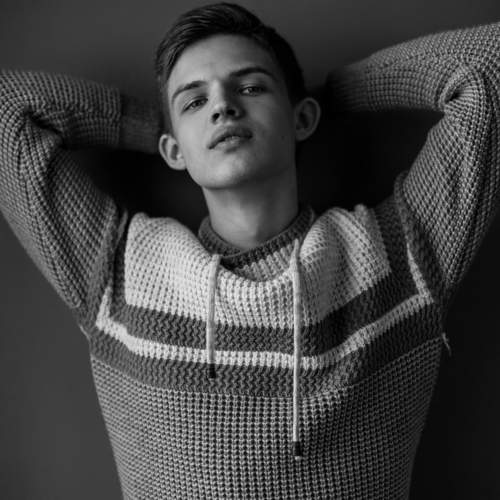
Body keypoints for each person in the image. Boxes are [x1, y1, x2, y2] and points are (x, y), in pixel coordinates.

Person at [0, 2, 498, 498]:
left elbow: (489, 64)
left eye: (252, 87)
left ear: (302, 118)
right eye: (195, 102)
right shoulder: (118, 270)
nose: (223, 106)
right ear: (174, 151)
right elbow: (7, 110)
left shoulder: (400, 255)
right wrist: (152, 128)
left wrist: (332, 95)